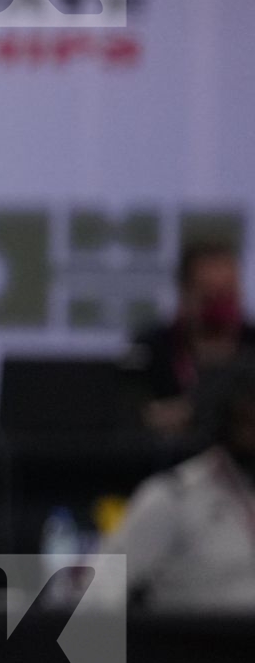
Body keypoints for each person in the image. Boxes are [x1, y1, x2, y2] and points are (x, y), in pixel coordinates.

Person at [104, 364, 255, 612]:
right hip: (198, 645)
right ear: (227, 423)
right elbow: (96, 596)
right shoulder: (172, 497)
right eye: (247, 423)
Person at [124, 240, 255, 440]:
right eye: (210, 292)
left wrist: (192, 410)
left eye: (227, 291)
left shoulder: (251, 344)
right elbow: (134, 415)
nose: (220, 302)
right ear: (185, 291)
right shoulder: (151, 347)